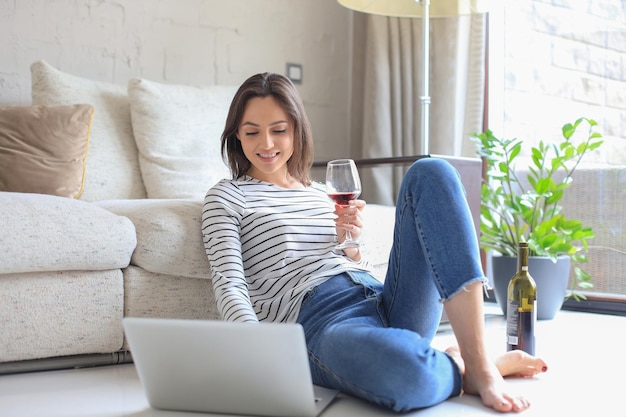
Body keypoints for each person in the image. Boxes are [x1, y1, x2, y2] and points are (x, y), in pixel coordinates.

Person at [201, 72, 548, 413]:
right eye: (252, 132)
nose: (266, 144)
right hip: (319, 323)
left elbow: (354, 264)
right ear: (236, 135)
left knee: (432, 171)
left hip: (381, 297)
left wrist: (350, 242)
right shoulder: (228, 197)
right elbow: (230, 283)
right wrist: (256, 351)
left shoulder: (322, 193)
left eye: (279, 130)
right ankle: (462, 367)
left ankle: (479, 363)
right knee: (409, 376)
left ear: (296, 130)